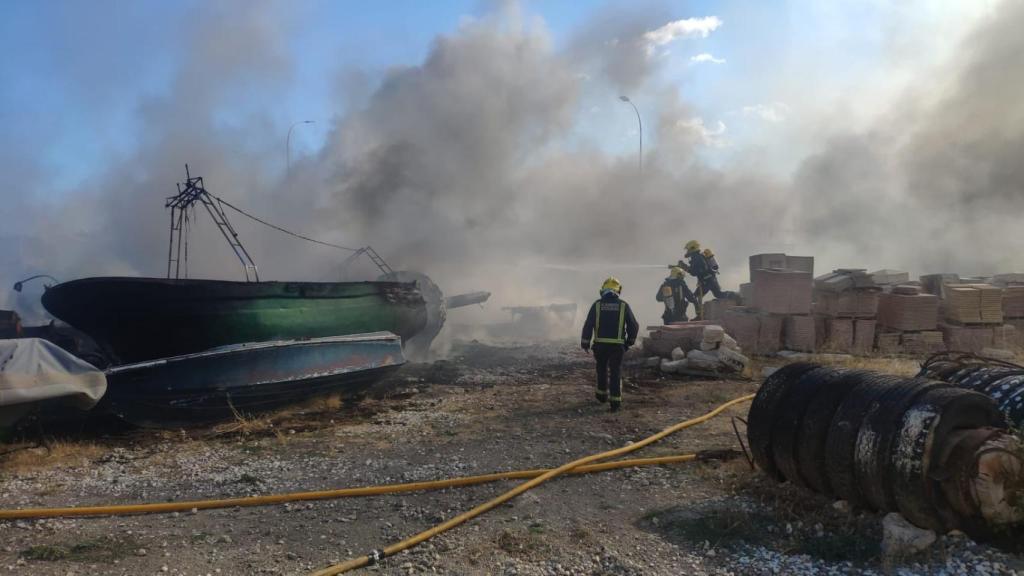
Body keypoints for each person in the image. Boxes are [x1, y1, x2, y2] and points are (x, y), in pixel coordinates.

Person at [581, 277, 639, 412]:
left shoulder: (597, 305)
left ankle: (601, 395)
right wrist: (629, 342)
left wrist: (585, 342)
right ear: (618, 291)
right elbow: (633, 325)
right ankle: (615, 402)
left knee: (601, 369)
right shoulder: (623, 305)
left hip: (600, 345)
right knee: (615, 372)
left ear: (603, 290)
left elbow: (588, 324)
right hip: (617, 346)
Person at [679, 240, 739, 317]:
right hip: (711, 280)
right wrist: (685, 267)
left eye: (688, 249)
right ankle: (735, 295)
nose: (687, 251)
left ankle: (700, 316)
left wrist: (684, 267)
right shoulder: (698, 257)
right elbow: (697, 270)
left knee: (696, 297)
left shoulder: (697, 258)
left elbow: (696, 271)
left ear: (692, 248)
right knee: (718, 294)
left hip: (707, 281)